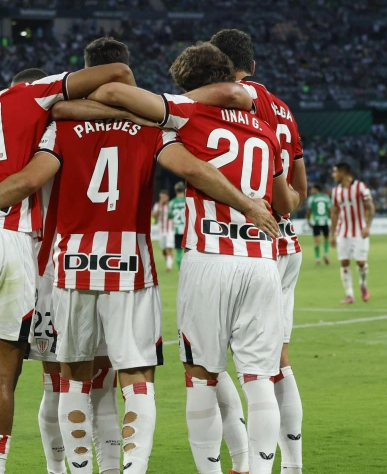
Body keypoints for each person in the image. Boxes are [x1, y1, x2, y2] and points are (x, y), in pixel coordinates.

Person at [0, 40, 280, 474]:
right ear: (123, 72)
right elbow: (193, 168)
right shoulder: (152, 126)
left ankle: (74, 470)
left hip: (68, 262)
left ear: (84, 72)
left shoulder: (56, 126)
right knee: (135, 379)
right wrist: (248, 202)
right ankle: (131, 470)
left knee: (68, 381)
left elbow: (33, 175)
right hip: (129, 261)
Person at [0, 60, 139, 474]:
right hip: (3, 237)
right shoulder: (37, 99)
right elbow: (117, 73)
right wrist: (130, 113)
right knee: (1, 372)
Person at [84, 41, 301, 474]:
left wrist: (177, 102)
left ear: (187, 85)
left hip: (211, 257)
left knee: (201, 375)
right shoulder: (261, 126)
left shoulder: (185, 114)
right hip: (261, 262)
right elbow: (287, 198)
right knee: (259, 379)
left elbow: (109, 94)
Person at [211, 28, 309, 474]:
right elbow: (297, 193)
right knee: (275, 361)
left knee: (213, 360)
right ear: (253, 64)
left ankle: (246, 462)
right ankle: (291, 467)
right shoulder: (283, 109)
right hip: (285, 242)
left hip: (243, 244)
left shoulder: (223, 99)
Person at [330, 163, 374, 304]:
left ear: (343, 173)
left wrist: (367, 226)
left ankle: (363, 285)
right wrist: (332, 234)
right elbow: (335, 212)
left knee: (361, 262)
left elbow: (371, 206)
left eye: (335, 172)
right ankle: (349, 294)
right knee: (344, 262)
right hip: (343, 231)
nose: (333, 175)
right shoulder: (336, 191)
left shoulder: (360, 187)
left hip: (360, 230)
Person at [306, 185, 332, 265]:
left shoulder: (311, 198)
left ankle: (317, 259)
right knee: (327, 239)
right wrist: (330, 220)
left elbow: (309, 211)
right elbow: (330, 210)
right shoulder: (326, 198)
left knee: (317, 241)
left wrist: (308, 220)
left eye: (313, 189)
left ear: (317, 189)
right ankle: (326, 254)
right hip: (325, 221)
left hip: (316, 221)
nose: (311, 191)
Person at [152, 190, 175, 272]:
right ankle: (168, 260)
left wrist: (168, 205)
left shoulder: (171, 204)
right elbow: (153, 215)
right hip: (161, 231)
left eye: (164, 197)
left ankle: (169, 266)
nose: (162, 199)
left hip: (170, 230)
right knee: (164, 250)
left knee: (169, 248)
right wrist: (160, 206)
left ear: (167, 197)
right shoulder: (157, 205)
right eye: (161, 197)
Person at [169, 182, 187, 269]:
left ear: (175, 191)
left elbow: (170, 215)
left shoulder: (172, 202)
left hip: (177, 230)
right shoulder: (187, 201)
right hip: (187, 230)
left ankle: (180, 271)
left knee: (178, 253)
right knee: (189, 253)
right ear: (184, 190)